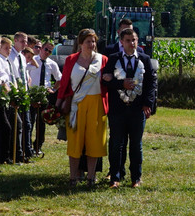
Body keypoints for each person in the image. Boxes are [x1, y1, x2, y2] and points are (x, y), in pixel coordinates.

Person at [103, 26, 158, 188]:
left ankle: (136, 178)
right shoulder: (113, 59)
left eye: (134, 40)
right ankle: (115, 177)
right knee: (116, 144)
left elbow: (151, 83)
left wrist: (148, 103)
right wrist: (121, 84)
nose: (131, 43)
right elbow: (105, 81)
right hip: (117, 109)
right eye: (128, 40)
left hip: (137, 109)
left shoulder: (145, 59)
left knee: (136, 145)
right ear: (122, 42)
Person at [56, 28, 108, 186]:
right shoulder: (71, 60)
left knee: (95, 141)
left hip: (96, 104)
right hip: (76, 105)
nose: (91, 44)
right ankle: (73, 177)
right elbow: (64, 83)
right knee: (75, 141)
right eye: (88, 42)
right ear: (80, 43)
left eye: (93, 41)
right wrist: (58, 104)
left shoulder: (103, 59)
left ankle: (91, 177)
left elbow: (108, 82)